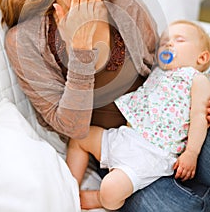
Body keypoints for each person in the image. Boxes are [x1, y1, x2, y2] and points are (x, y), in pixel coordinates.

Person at [0, 0, 210, 212]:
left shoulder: (127, 6)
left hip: (171, 127)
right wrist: (82, 54)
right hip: (116, 151)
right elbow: (71, 127)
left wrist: (199, 97)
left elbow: (166, 70)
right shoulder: (25, 41)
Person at [66, 20, 210, 210]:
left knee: (110, 189)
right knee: (80, 137)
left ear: (202, 58)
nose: (168, 44)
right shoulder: (157, 71)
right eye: (165, 42)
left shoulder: (196, 79)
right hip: (126, 136)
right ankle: (68, 187)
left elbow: (200, 115)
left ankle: (100, 199)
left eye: (179, 40)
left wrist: (191, 153)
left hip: (153, 152)